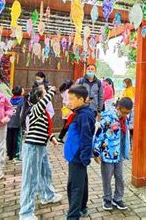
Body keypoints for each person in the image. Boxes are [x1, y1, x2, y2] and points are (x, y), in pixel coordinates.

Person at [19, 85, 61, 219]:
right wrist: (51, 91)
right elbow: (44, 102)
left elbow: (41, 128)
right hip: (32, 147)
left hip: (41, 147)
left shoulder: (41, 113)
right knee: (30, 179)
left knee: (45, 173)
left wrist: (51, 137)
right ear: (39, 98)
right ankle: (25, 213)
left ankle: (47, 195)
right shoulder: (35, 109)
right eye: (45, 95)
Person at [93, 97, 133, 211]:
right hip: (107, 154)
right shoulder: (108, 118)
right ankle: (107, 199)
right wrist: (96, 152)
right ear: (118, 108)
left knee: (120, 177)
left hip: (118, 154)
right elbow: (99, 135)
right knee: (107, 178)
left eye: (128, 112)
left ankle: (118, 198)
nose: (125, 114)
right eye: (124, 112)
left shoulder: (124, 119)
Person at [63, 85, 96, 219]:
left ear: (81, 99)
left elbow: (86, 138)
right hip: (75, 156)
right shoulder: (80, 113)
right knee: (81, 182)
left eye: (71, 99)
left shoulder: (84, 116)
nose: (69, 102)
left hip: (77, 156)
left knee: (74, 187)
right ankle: (82, 208)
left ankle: (73, 216)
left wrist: (84, 158)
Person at [7, 86, 25, 161]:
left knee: (9, 138)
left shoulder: (9, 99)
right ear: (21, 92)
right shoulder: (22, 100)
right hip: (18, 123)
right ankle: (16, 154)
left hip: (9, 122)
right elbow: (23, 112)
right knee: (17, 139)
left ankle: (9, 154)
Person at [57, 79, 74, 143]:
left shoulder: (64, 91)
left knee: (66, 124)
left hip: (66, 109)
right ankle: (61, 137)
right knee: (68, 125)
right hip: (69, 110)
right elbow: (68, 101)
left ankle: (60, 137)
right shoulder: (68, 91)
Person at [121, 78, 135, 143]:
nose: (123, 84)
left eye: (124, 83)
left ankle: (131, 142)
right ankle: (131, 142)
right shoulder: (128, 89)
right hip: (128, 109)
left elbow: (129, 100)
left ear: (128, 83)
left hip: (128, 109)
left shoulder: (129, 90)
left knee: (130, 126)